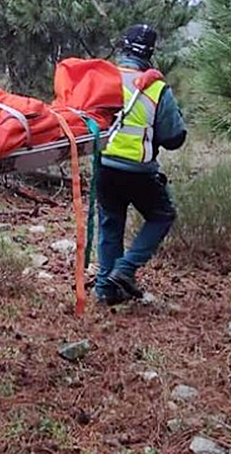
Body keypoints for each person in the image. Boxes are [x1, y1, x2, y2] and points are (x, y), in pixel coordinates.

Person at [95, 24, 187, 306]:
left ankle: (106, 289)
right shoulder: (157, 88)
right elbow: (173, 138)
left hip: (104, 165)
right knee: (162, 215)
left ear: (123, 46)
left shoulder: (104, 78)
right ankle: (125, 269)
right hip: (138, 171)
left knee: (110, 224)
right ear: (150, 53)